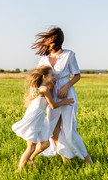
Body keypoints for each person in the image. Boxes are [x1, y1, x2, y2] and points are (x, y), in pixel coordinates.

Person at [32, 27, 92, 164]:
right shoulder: (44, 58)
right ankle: (65, 159)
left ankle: (86, 159)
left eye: (52, 41)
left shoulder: (69, 55)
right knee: (52, 131)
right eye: (48, 41)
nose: (49, 44)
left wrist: (66, 86)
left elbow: (77, 75)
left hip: (67, 97)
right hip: (51, 97)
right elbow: (37, 78)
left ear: (58, 42)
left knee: (69, 131)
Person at [12, 65, 74, 170]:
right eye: (51, 75)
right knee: (30, 147)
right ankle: (20, 169)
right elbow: (53, 106)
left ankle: (31, 159)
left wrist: (53, 84)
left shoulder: (41, 87)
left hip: (39, 116)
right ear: (44, 77)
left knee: (45, 143)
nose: (54, 77)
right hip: (34, 118)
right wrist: (64, 102)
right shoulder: (44, 89)